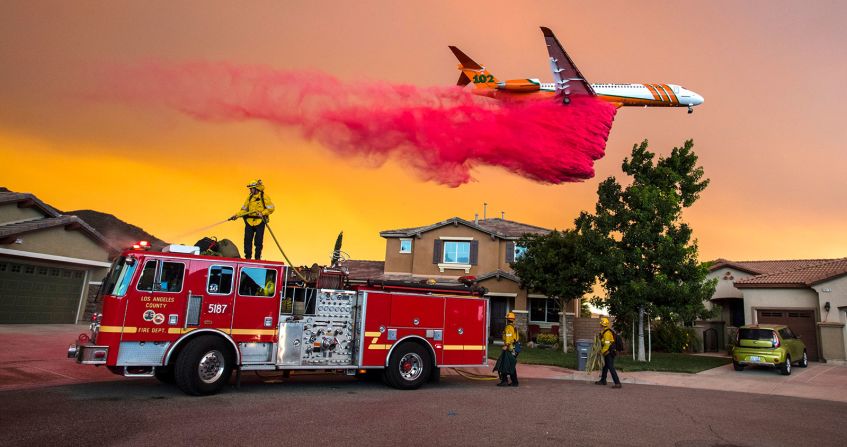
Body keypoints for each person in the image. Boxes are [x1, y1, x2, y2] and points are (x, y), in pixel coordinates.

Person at [229, 179, 275, 260]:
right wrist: (236, 215)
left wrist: (262, 213)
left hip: (260, 221)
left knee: (258, 241)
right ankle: (248, 257)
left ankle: (257, 258)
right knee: (247, 240)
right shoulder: (249, 198)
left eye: (251, 188)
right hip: (249, 222)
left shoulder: (264, 197)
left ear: (256, 188)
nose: (250, 190)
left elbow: (271, 208)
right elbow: (244, 210)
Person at [493, 312, 519, 387]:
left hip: (510, 348)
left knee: (505, 364)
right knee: (510, 365)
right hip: (515, 348)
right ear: (513, 320)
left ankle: (505, 381)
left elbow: (508, 337)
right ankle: (514, 382)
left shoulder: (508, 327)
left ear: (507, 319)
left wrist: (506, 346)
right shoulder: (514, 327)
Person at [595, 317, 622, 388]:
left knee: (610, 367)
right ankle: (603, 380)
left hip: (609, 352)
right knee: (605, 366)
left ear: (602, 324)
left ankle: (617, 383)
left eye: (601, 324)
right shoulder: (604, 331)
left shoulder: (607, 333)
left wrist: (601, 351)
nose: (600, 325)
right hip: (608, 351)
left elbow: (607, 344)